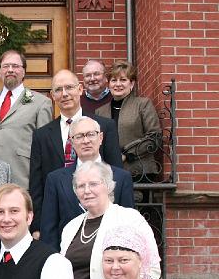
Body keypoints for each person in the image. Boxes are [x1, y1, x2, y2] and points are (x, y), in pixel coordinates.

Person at [29, 69, 122, 237]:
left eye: (69, 87)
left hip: (102, 217)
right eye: (58, 90)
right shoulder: (41, 135)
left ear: (80, 89)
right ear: (52, 96)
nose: (64, 94)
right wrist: (37, 226)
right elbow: (36, 184)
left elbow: (116, 172)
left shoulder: (105, 126)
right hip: (58, 219)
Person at [40, 116, 134, 251]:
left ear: (100, 138)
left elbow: (128, 224)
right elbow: (49, 229)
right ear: (71, 142)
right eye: (79, 136)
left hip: (109, 258)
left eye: (91, 134)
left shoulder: (121, 177)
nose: (86, 141)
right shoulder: (55, 179)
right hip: (69, 257)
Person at [0, 50, 53, 188]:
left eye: (15, 66)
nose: (10, 70)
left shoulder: (41, 103)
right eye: (6, 66)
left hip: (22, 177)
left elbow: (45, 147)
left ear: (24, 72)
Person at [96, 60, 161, 178]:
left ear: (131, 84)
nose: (118, 84)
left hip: (140, 172)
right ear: (109, 84)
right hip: (109, 174)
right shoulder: (100, 111)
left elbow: (154, 138)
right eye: (114, 80)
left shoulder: (142, 104)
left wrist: (126, 154)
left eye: (123, 80)